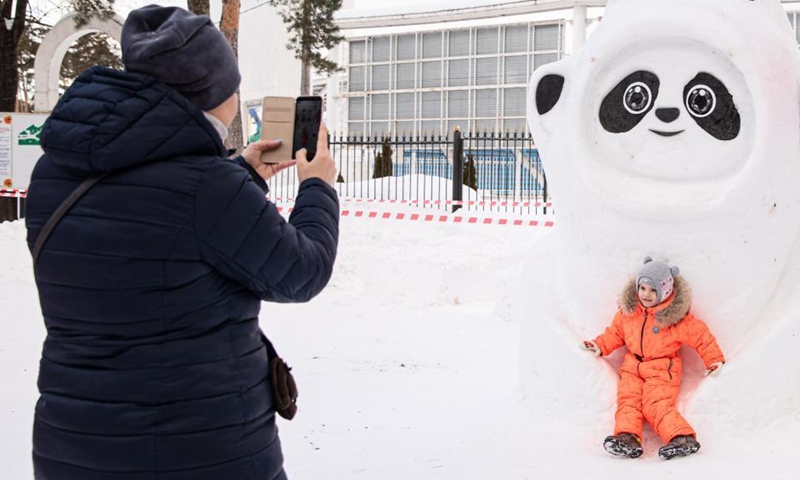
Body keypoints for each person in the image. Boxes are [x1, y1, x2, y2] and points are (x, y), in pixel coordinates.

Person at [25, 5, 338, 480]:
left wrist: (243, 176)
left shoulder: (53, 174)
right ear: (215, 94)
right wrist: (318, 186)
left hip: (73, 446)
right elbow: (303, 272)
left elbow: (149, 232)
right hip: (200, 452)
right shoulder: (207, 189)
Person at [581, 257, 725, 460]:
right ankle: (627, 438)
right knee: (628, 402)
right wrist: (599, 345)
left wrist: (714, 359)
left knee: (655, 404)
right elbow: (615, 333)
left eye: (653, 290)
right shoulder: (628, 313)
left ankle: (682, 437)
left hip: (662, 369)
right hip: (632, 367)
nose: (646, 295)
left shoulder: (674, 318)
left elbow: (701, 336)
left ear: (665, 292)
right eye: (643, 288)